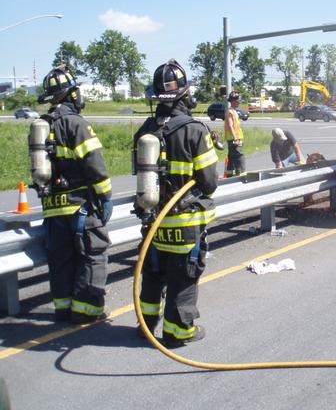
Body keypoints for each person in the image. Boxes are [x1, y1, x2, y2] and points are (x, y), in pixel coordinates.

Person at [133, 59, 218, 347]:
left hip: (153, 222)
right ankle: (177, 332)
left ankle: (146, 326)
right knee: (183, 278)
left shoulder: (145, 130)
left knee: (153, 275)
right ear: (185, 94)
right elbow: (208, 182)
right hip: (184, 223)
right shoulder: (195, 130)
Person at [36, 65, 113, 324]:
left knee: (61, 260)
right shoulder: (75, 123)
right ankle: (87, 311)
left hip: (52, 208)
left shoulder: (43, 125)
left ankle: (63, 309)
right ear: (70, 95)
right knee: (92, 255)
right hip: (80, 207)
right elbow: (94, 164)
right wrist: (105, 197)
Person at [224, 91, 246, 176]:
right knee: (240, 156)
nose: (239, 103)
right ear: (233, 101)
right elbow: (230, 125)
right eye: (238, 101)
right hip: (234, 139)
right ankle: (242, 175)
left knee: (232, 158)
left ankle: (230, 175)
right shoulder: (230, 112)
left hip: (234, 138)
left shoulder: (234, 111)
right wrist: (235, 138)